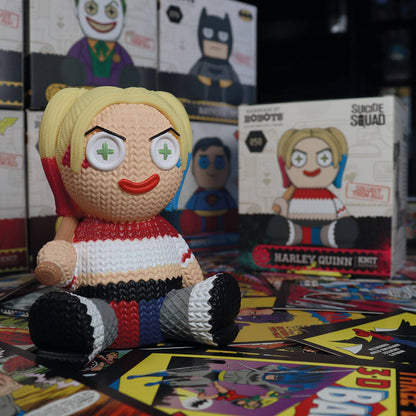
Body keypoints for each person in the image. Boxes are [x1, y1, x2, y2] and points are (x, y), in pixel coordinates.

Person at [28, 86, 241, 367]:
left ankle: (206, 313)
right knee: (89, 317)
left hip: (167, 313)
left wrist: (196, 286)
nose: (140, 171)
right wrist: (57, 260)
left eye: (163, 150)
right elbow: (61, 270)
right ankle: (77, 332)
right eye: (104, 151)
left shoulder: (165, 231)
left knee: (193, 302)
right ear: (64, 163)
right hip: (107, 314)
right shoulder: (81, 235)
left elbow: (188, 268)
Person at [267, 127, 358, 248]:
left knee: (346, 226)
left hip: (326, 232)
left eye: (324, 158)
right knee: (279, 225)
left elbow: (343, 216)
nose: (311, 167)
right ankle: (290, 235)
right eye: (299, 159)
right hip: (297, 231)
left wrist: (344, 225)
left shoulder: (330, 197)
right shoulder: (293, 194)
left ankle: (332, 236)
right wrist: (283, 208)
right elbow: (283, 212)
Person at [62, 0, 139, 87]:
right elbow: (68, 73)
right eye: (91, 8)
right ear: (77, 11)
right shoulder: (78, 50)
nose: (101, 18)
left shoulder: (122, 55)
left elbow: (131, 79)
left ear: (124, 19)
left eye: (111, 12)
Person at [180, 137, 238, 235]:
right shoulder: (197, 197)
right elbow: (188, 215)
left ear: (228, 168)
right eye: (203, 162)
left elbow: (233, 213)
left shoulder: (226, 197)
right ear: (193, 168)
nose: (211, 169)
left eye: (219, 163)